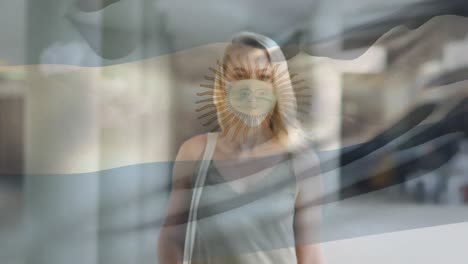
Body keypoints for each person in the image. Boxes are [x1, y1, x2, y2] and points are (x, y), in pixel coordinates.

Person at [158, 31, 324, 264]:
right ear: (224, 84)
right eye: (240, 75)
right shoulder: (195, 153)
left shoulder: (301, 162)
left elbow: (311, 256)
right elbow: (171, 238)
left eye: (264, 77)